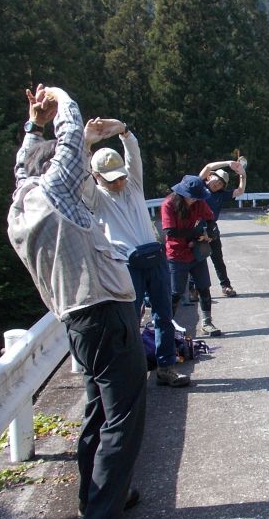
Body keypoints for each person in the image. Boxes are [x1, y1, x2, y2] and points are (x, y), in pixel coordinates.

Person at [7, 85, 153, 519]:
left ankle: (98, 499)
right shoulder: (57, 195)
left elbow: (26, 164)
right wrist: (61, 99)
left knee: (96, 410)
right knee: (124, 416)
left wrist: (32, 126)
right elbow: (69, 144)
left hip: (77, 320)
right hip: (106, 312)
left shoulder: (21, 206)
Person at [86, 122, 189, 388]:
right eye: (113, 179)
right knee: (129, 321)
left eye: (121, 176)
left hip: (154, 261)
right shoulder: (95, 197)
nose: (119, 182)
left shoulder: (133, 186)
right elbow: (77, 174)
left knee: (164, 315)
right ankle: (132, 372)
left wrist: (124, 130)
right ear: (96, 175)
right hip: (125, 265)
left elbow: (134, 156)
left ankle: (165, 367)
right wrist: (85, 144)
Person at [161, 175, 223, 337]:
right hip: (177, 254)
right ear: (183, 194)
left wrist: (210, 233)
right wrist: (195, 234)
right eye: (193, 197)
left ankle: (207, 322)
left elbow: (210, 219)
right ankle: (167, 327)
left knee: (204, 287)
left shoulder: (199, 202)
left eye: (197, 197)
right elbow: (170, 231)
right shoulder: (168, 204)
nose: (195, 200)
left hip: (196, 253)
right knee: (176, 293)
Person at [198, 158, 247, 298]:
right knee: (195, 260)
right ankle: (193, 289)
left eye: (220, 184)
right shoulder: (199, 186)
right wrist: (228, 163)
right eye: (216, 180)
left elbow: (240, 191)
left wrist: (243, 175)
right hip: (195, 228)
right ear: (209, 177)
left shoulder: (220, 195)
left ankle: (226, 286)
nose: (217, 185)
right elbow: (208, 166)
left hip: (211, 228)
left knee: (218, 259)